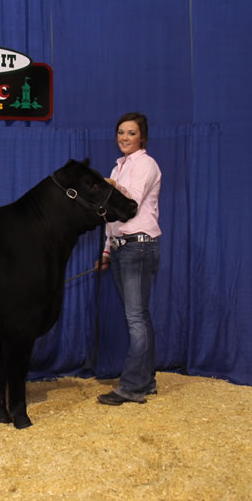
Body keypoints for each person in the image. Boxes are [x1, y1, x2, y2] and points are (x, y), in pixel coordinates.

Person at [96, 112, 162, 406]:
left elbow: (130, 203)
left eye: (131, 133)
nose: (124, 137)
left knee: (136, 318)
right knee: (139, 317)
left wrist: (110, 185)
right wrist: (107, 251)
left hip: (138, 246)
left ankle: (133, 387)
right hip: (123, 246)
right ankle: (146, 381)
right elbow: (112, 217)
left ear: (142, 137)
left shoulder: (146, 164)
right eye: (121, 132)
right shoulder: (119, 166)